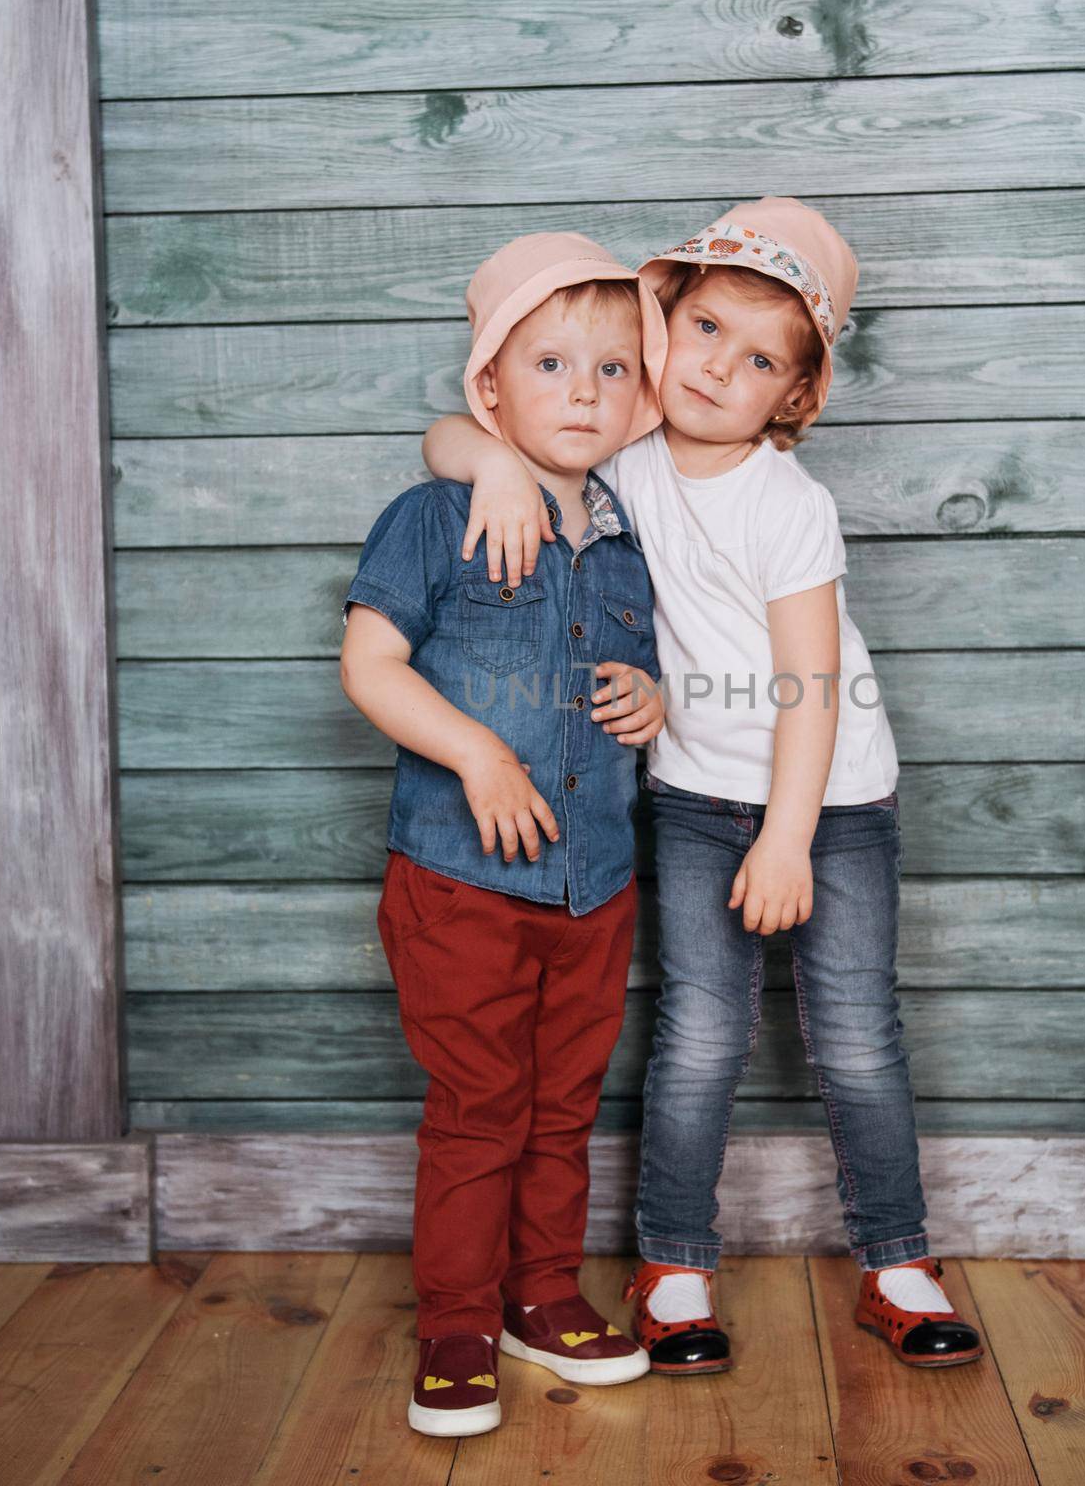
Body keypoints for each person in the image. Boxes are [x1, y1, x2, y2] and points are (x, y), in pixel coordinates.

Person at [418, 199, 985, 1375]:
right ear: (658, 325)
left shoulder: (788, 502)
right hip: (686, 798)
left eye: (762, 356)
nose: (722, 366)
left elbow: (810, 683)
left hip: (826, 804)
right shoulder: (615, 454)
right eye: (706, 327)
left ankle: (897, 1260)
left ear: (794, 395)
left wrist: (786, 839)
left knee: (856, 1038)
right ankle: (674, 1268)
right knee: (697, 1038)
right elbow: (445, 433)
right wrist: (490, 469)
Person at [339, 232, 670, 1437]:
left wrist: (653, 699)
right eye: (549, 364)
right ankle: (457, 1320)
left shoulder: (633, 537)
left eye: (613, 368)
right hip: (460, 883)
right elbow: (369, 664)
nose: (583, 390)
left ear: (641, 397)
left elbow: (625, 673)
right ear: (488, 389)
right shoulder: (437, 512)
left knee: (564, 1104)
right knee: (481, 1103)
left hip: (591, 886)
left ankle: (542, 1294)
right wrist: (477, 749)